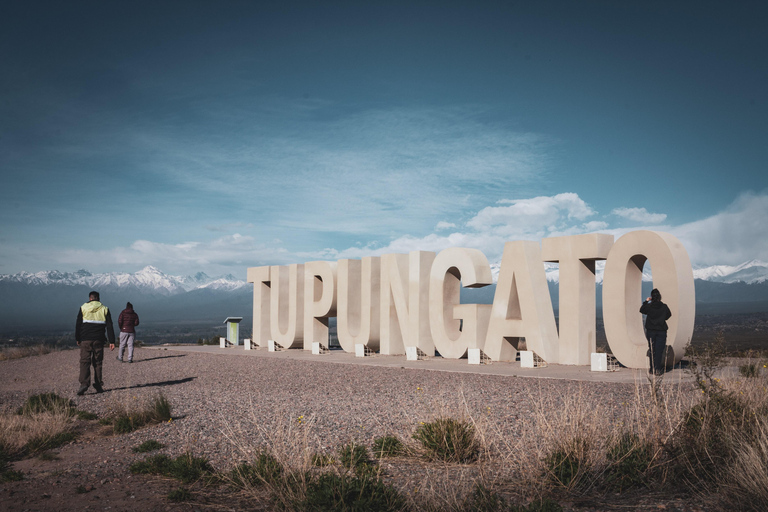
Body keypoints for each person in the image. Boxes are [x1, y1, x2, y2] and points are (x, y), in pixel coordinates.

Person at [75, 291, 115, 395]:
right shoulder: (104, 309)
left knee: (84, 362)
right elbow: (110, 326)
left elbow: (78, 324)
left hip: (85, 339)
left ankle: (84, 384)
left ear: (90, 298)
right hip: (99, 340)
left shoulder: (83, 307)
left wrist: (78, 338)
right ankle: (98, 384)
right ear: (98, 298)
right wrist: (112, 341)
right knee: (97, 362)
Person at [640, 288, 672, 375]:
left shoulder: (649, 307)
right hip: (661, 331)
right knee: (659, 350)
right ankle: (657, 368)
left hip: (651, 331)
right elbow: (668, 315)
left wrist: (646, 301)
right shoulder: (664, 306)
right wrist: (661, 318)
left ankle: (652, 368)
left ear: (651, 297)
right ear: (660, 297)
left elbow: (642, 310)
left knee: (652, 349)